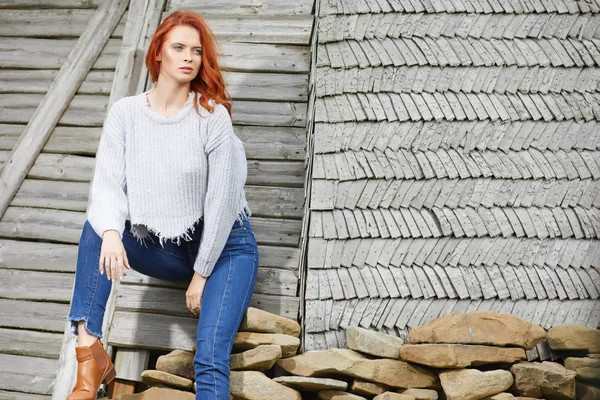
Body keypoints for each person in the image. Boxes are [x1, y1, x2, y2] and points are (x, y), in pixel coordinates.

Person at [65, 9, 259, 400]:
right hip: (168, 249)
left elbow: (222, 202)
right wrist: (112, 234)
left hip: (225, 251)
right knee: (97, 227)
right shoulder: (126, 114)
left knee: (208, 359)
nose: (189, 57)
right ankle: (89, 355)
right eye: (179, 47)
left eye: (197, 51)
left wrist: (202, 274)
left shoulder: (212, 117)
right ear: (159, 54)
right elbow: (106, 185)